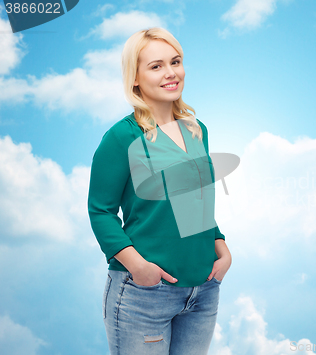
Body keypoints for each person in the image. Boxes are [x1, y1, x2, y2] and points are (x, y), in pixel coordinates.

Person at [87, 27, 231, 355]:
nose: (171, 73)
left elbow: (194, 203)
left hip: (204, 292)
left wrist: (220, 245)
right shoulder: (122, 137)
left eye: (175, 62)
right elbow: (100, 211)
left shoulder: (197, 131)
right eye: (156, 66)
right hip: (144, 294)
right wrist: (139, 267)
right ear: (135, 78)